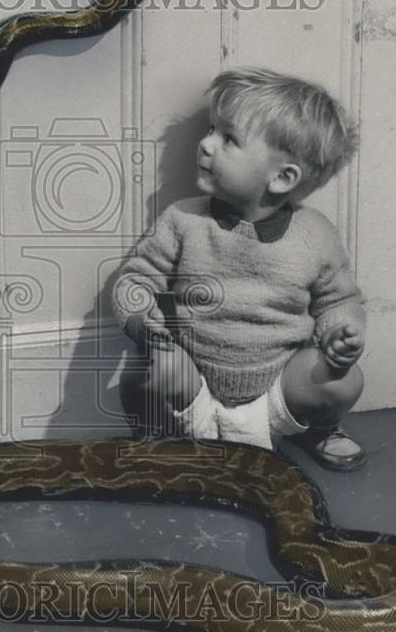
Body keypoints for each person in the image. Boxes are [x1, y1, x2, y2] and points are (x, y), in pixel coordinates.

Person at [112, 67, 367, 471]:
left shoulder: (313, 234)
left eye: (228, 138)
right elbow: (135, 279)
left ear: (283, 178)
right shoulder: (184, 220)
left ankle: (320, 428)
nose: (206, 144)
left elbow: (340, 297)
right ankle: (161, 433)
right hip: (193, 391)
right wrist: (142, 321)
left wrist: (341, 333)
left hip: (276, 401)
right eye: (212, 129)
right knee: (149, 371)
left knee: (344, 379)